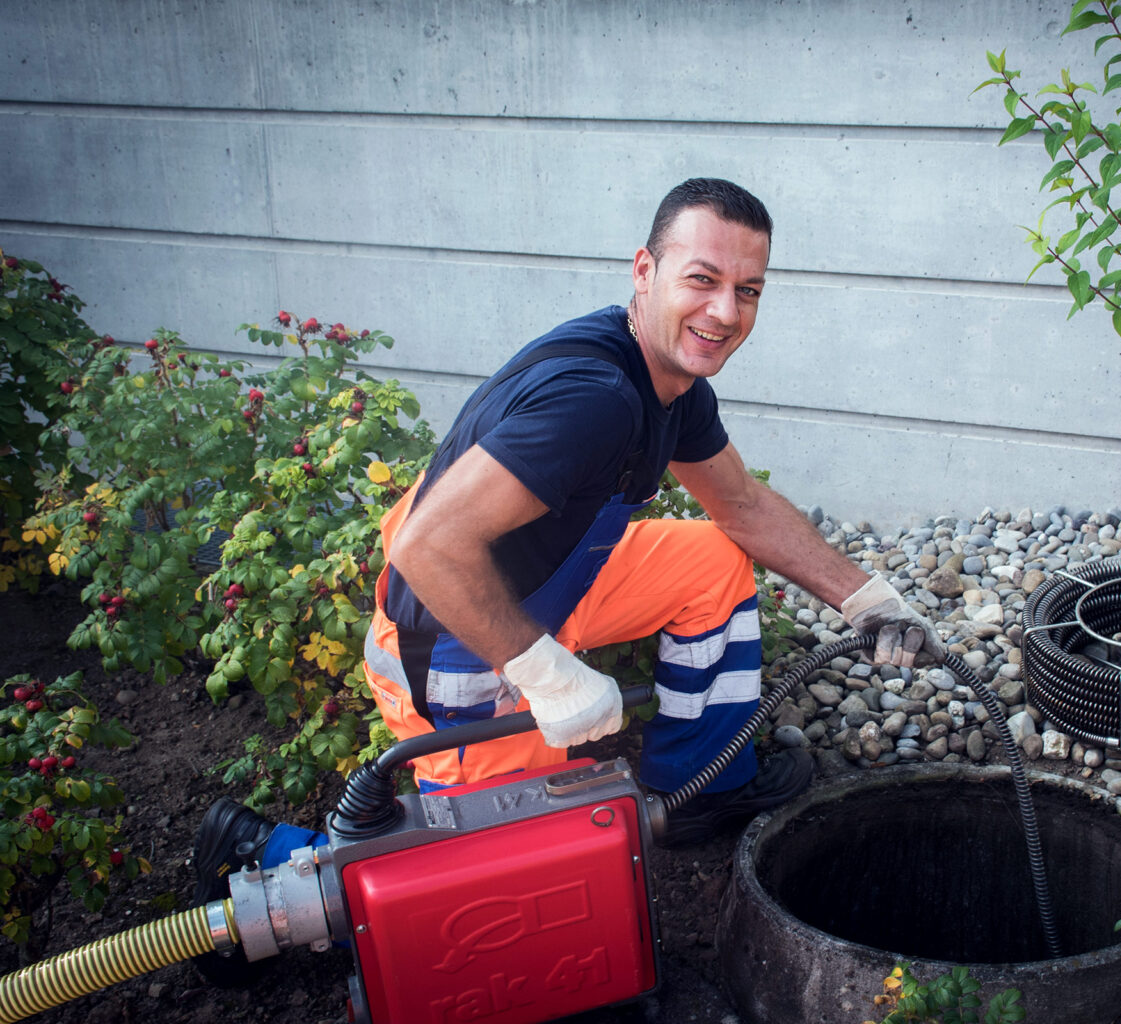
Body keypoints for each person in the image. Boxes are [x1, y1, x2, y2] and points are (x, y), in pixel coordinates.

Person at [192, 178, 941, 922]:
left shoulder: (669, 381)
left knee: (709, 560)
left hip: (553, 582)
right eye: (702, 280)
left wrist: (868, 602)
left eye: (747, 291)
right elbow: (428, 545)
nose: (724, 312)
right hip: (460, 639)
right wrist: (548, 677)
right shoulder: (595, 398)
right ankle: (269, 861)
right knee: (513, 891)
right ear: (644, 271)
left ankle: (701, 788)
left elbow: (741, 505)